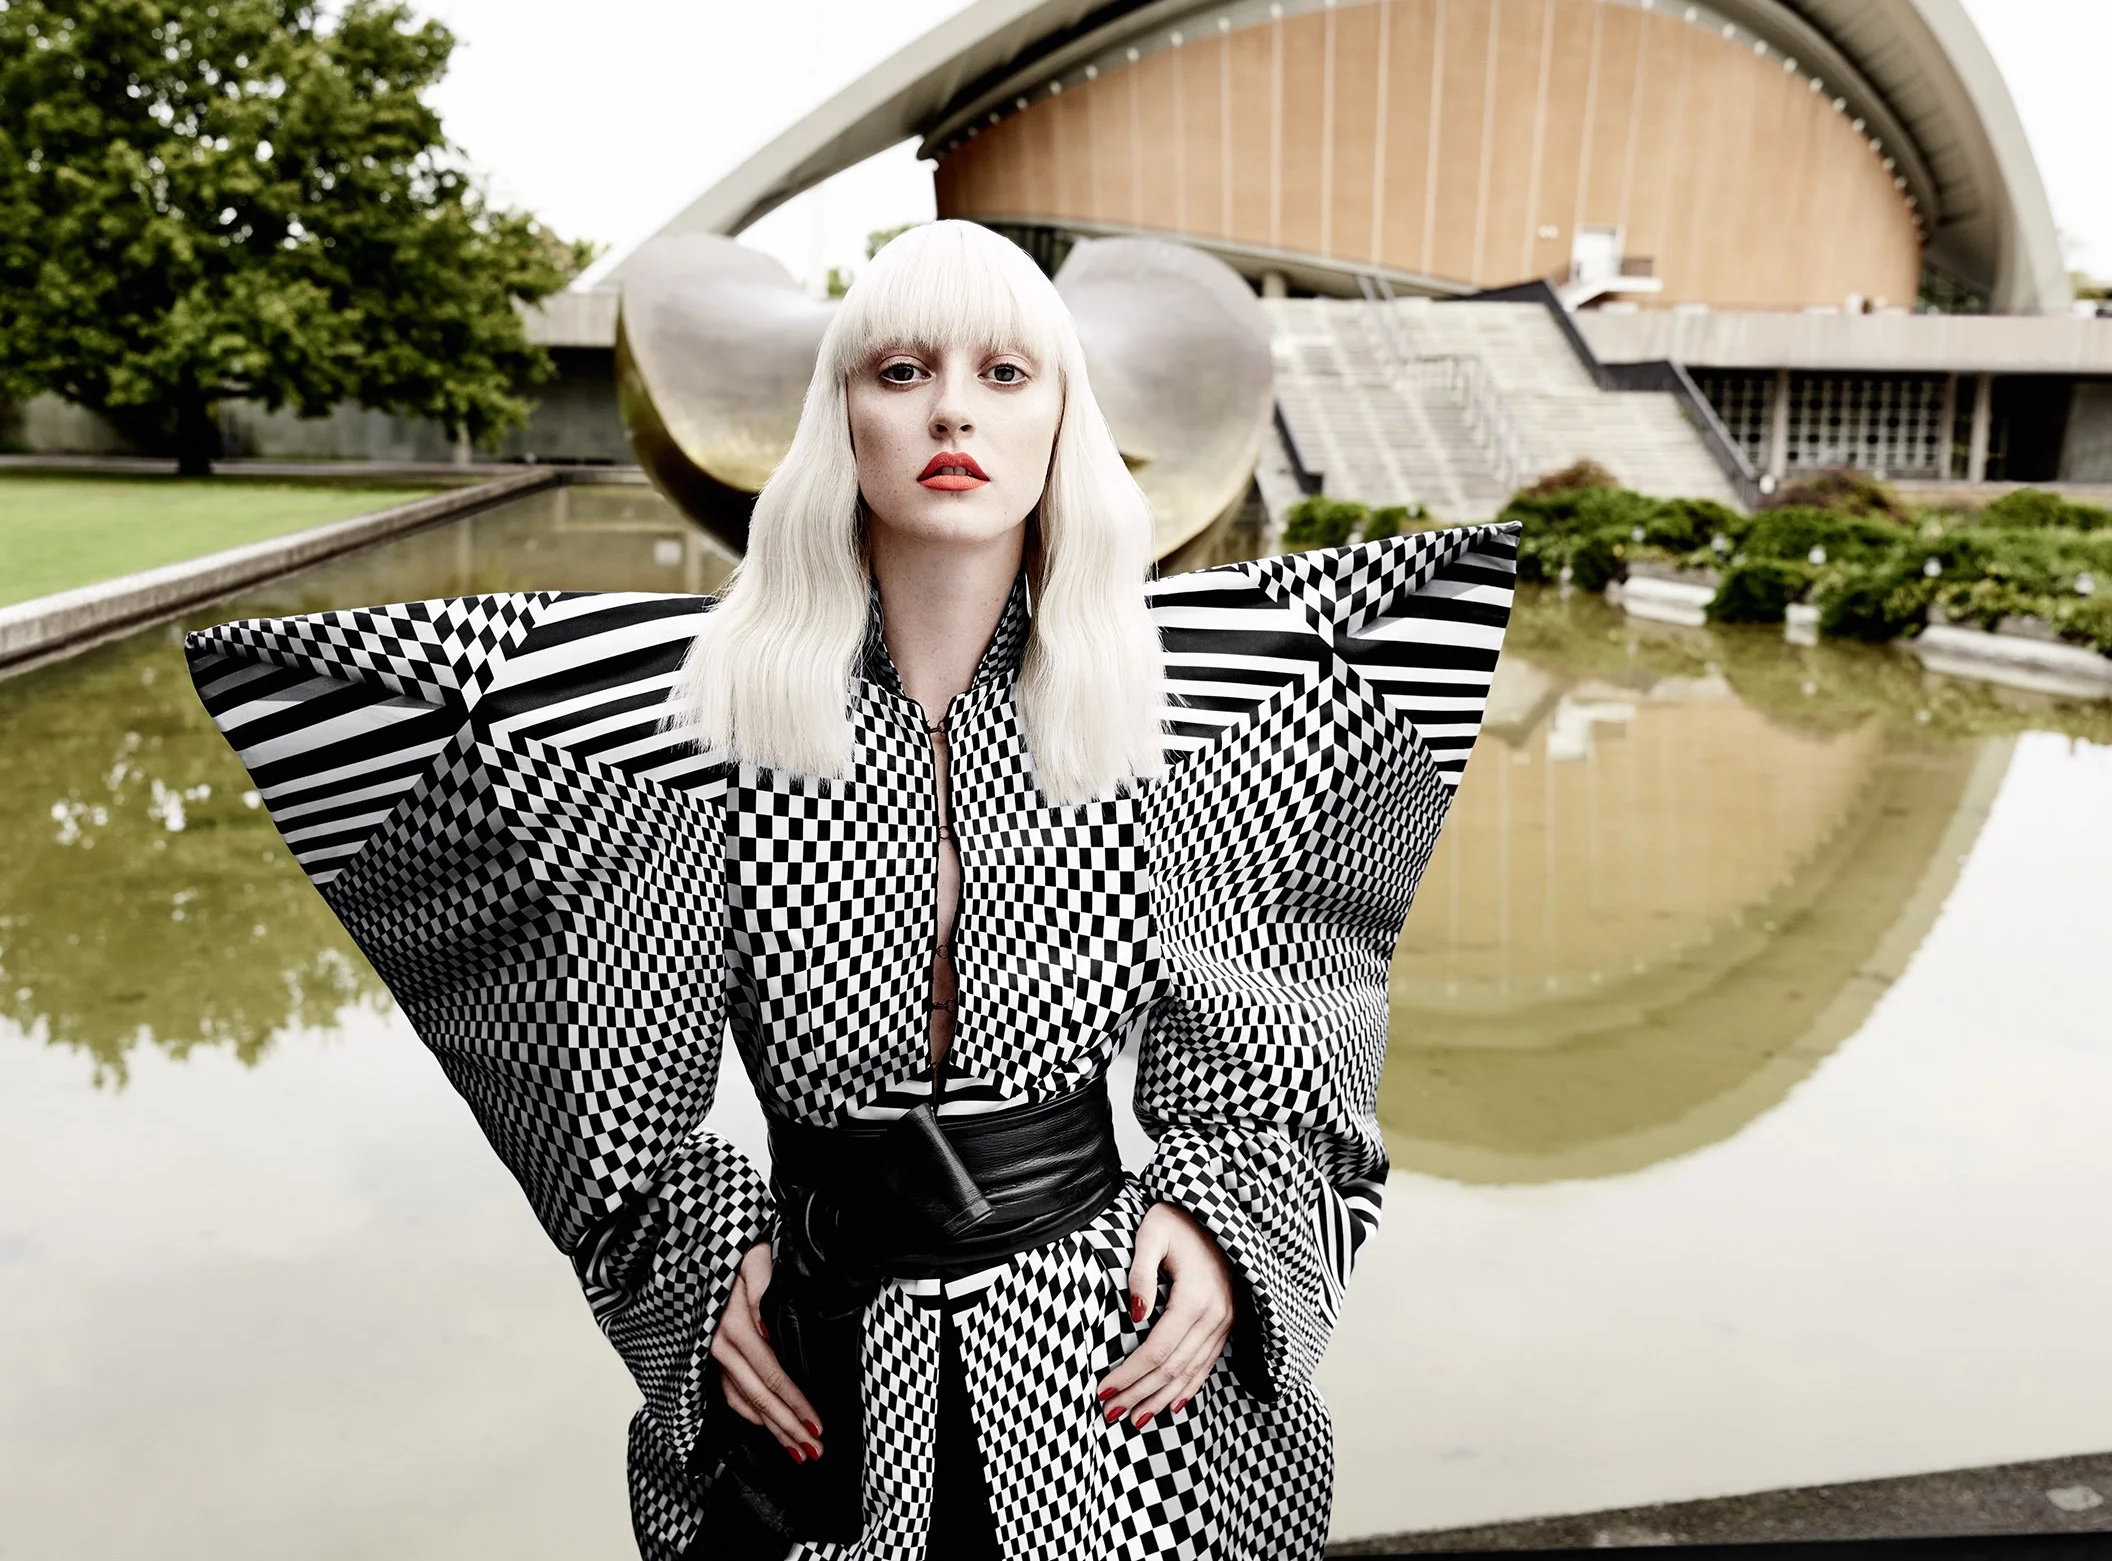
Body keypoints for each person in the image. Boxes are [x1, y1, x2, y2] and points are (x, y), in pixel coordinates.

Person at [184, 220, 1518, 1560]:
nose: (951, 408)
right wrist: (691, 1252)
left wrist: (1227, 1218)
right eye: (899, 370)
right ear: (842, 419)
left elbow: (1285, 1020)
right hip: (818, 1347)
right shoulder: (712, 720)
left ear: (1065, 419)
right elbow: (585, 1052)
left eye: (1006, 374)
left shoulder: (1158, 716)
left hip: (1109, 1356)